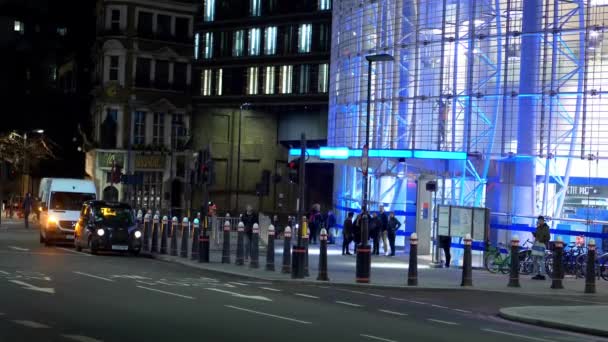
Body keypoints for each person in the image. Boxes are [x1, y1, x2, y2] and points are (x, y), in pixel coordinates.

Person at [532, 215, 550, 280]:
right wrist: (534, 234)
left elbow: (548, 237)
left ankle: (542, 274)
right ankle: (537, 274)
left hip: (542, 244)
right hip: (537, 244)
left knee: (541, 260)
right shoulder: (538, 227)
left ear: (542, 221)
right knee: (535, 260)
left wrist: (542, 240)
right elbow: (537, 235)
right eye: (538, 220)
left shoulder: (546, 228)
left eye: (540, 220)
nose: (539, 221)